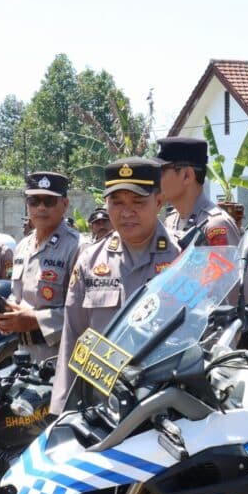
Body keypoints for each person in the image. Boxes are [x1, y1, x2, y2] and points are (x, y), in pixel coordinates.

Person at [51, 159, 179, 413]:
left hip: (166, 405)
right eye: (117, 202)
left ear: (159, 202)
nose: (126, 212)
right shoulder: (90, 260)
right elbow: (73, 338)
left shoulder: (183, 258)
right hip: (102, 407)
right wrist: (62, 409)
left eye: (138, 202)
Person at [0, 172, 82, 362]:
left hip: (61, 357)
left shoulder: (79, 248)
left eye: (49, 201)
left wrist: (35, 320)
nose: (41, 207)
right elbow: (18, 295)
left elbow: (84, 313)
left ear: (64, 204)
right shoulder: (22, 246)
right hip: (23, 352)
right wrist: (7, 314)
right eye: (34, 200)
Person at [157, 136, 241, 246]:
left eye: (161, 171)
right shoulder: (170, 221)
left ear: (187, 176)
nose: (155, 178)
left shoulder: (216, 226)